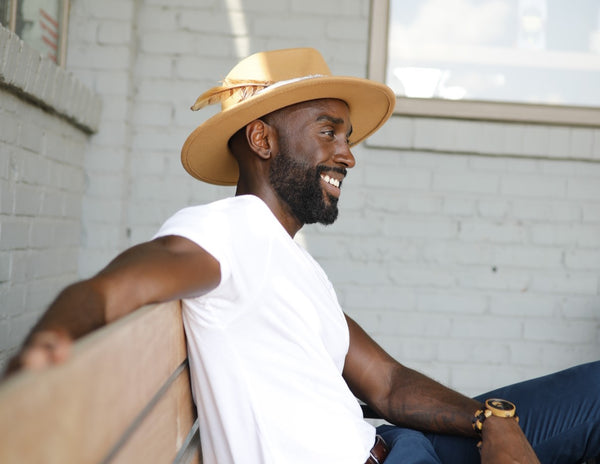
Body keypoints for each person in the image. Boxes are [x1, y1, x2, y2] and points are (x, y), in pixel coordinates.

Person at [5, 48, 600, 464]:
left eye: (347, 136)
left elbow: (388, 383)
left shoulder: (289, 260)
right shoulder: (226, 231)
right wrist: (47, 345)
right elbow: (112, 289)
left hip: (401, 446)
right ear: (262, 140)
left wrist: (491, 420)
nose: (347, 155)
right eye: (328, 131)